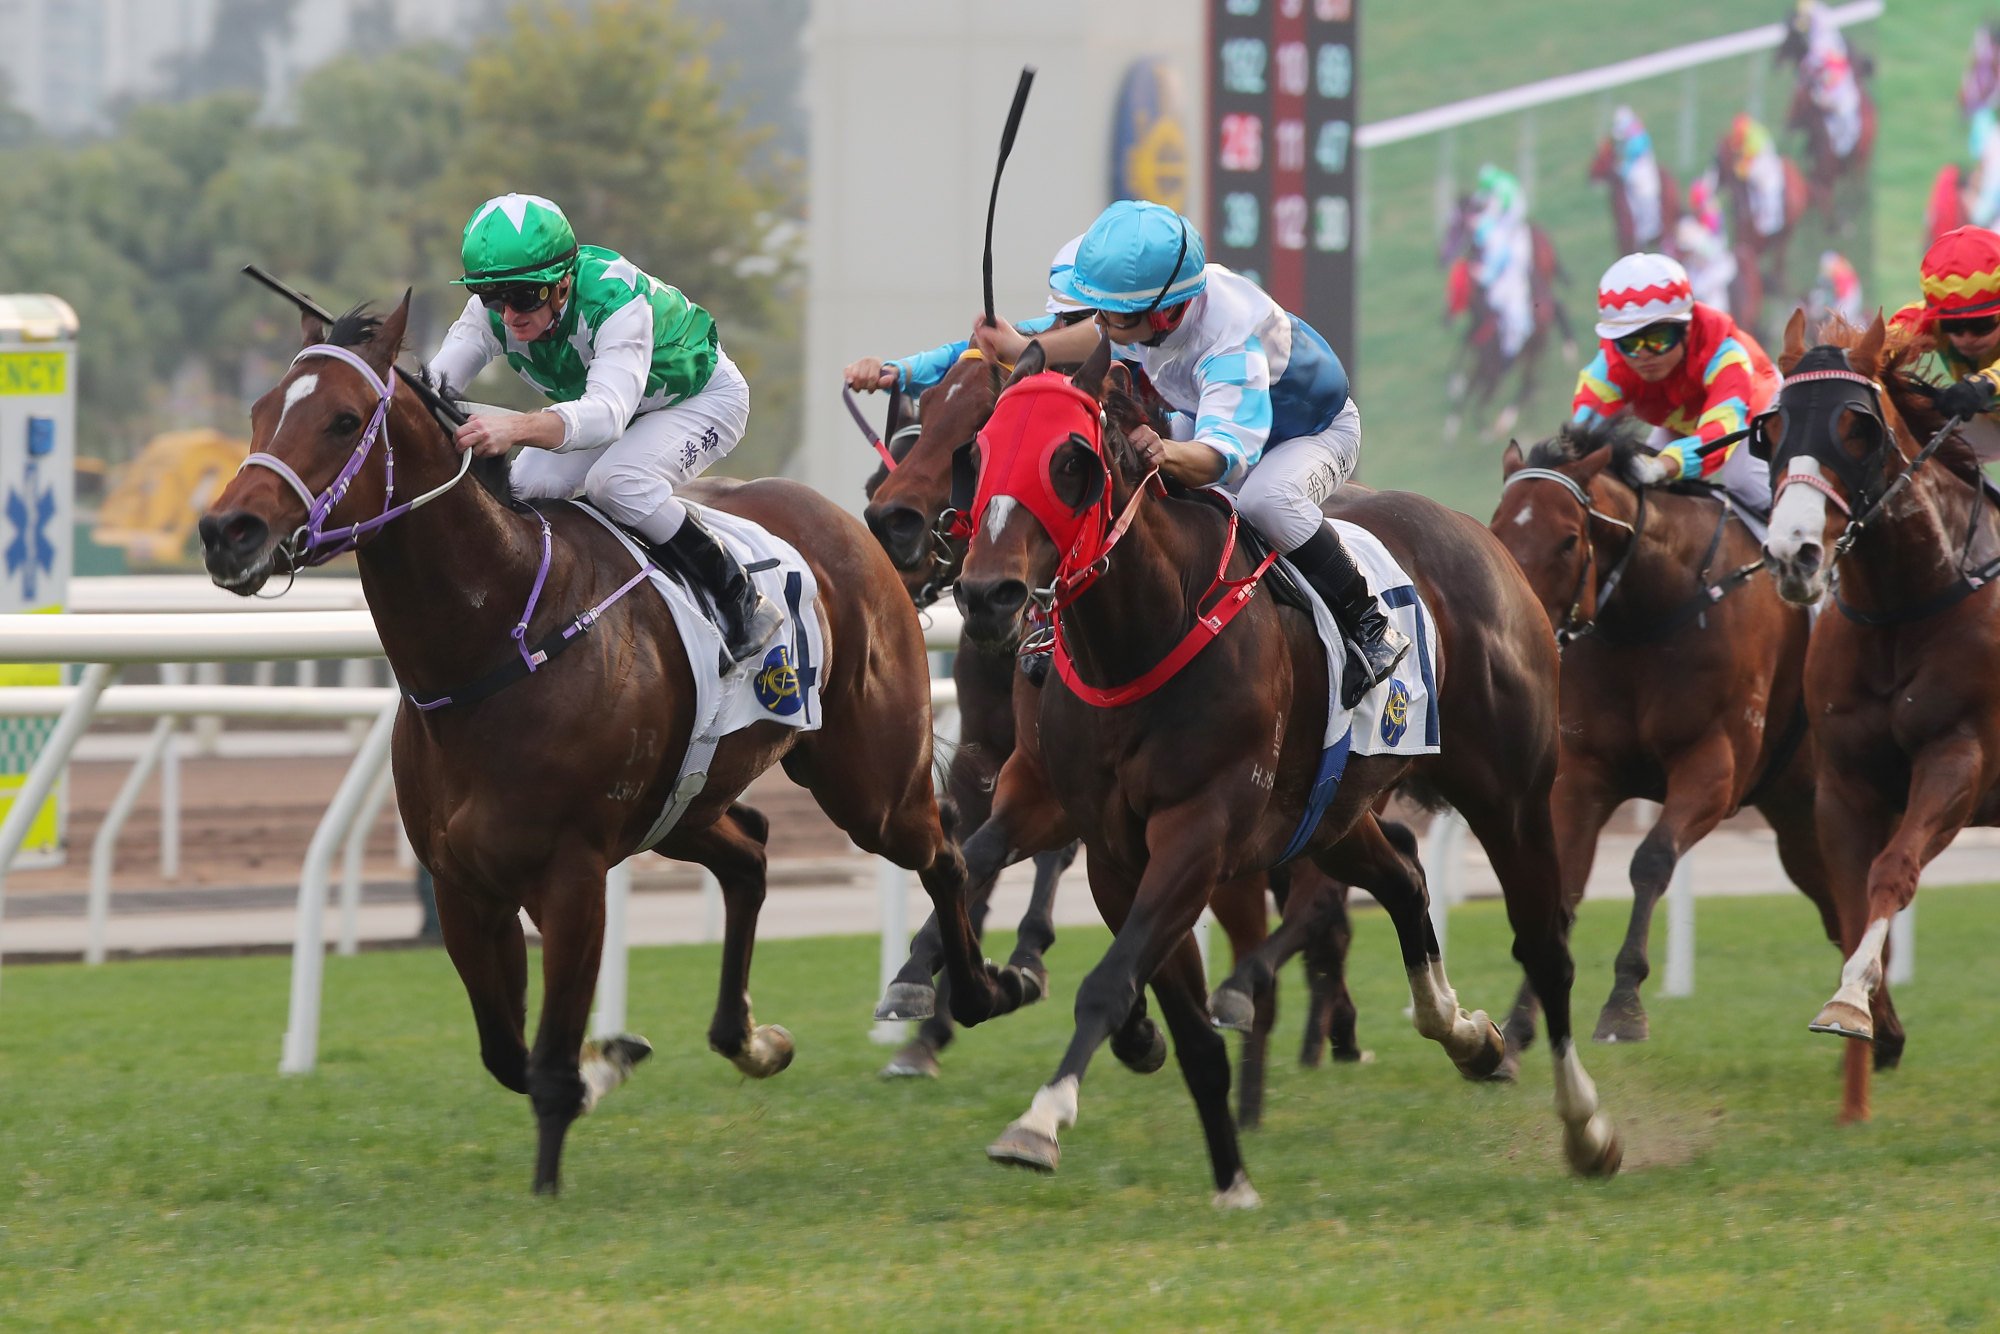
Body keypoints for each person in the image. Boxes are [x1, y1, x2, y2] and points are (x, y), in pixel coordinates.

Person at [972, 199, 1408, 708]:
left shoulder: (1229, 344)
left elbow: (1222, 459)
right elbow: (1103, 332)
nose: (1100, 323)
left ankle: (1369, 624)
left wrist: (1168, 452)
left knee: (1264, 502)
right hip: (1212, 416)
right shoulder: (1155, 306)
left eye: (1109, 313)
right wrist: (1025, 346)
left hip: (1306, 435)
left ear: (1160, 313)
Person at [426, 192, 780, 673]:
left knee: (617, 483)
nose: (508, 314)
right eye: (492, 297)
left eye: (524, 296)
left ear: (564, 283)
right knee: (522, 491)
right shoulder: (495, 310)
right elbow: (434, 387)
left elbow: (609, 415)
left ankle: (740, 597)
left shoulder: (615, 298)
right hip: (618, 404)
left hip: (700, 400)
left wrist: (517, 427)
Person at [1571, 252, 1778, 513]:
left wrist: (1664, 464)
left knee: (1745, 481)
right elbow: (1583, 433)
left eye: (1658, 338)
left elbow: (1722, 430)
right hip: (1683, 420)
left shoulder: (1727, 354)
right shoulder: (1609, 365)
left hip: (1752, 413)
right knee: (1637, 490)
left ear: (1687, 328)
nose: (1644, 354)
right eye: (1629, 342)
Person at [841, 237, 1094, 395]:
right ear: (1058, 314)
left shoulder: (1132, 349)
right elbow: (961, 357)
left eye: (1102, 316)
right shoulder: (1044, 331)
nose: (1097, 326)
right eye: (1075, 319)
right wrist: (895, 371)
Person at [1892, 224, 2000, 464]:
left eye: (1982, 324)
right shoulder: (1925, 319)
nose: (1967, 338)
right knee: (1914, 446)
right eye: (1953, 326)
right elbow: (1885, 341)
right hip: (1994, 422)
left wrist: (1985, 383)